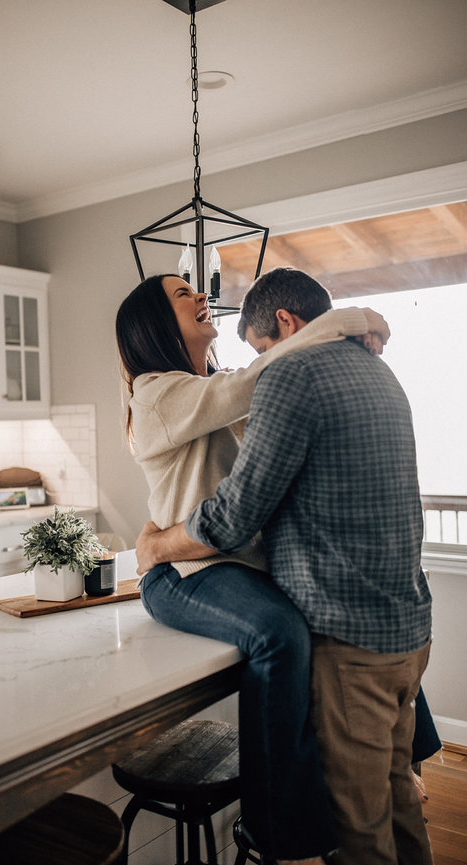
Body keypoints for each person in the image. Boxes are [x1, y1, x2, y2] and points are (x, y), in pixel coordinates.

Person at [135, 268, 433, 865]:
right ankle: (283, 825)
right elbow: (242, 398)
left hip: (349, 638)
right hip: (406, 627)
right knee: (397, 800)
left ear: (286, 326)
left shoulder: (289, 373)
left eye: (260, 344)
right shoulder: (378, 370)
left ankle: (280, 833)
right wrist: (353, 323)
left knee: (362, 830)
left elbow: (237, 511)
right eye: (181, 292)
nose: (200, 296)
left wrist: (162, 542)